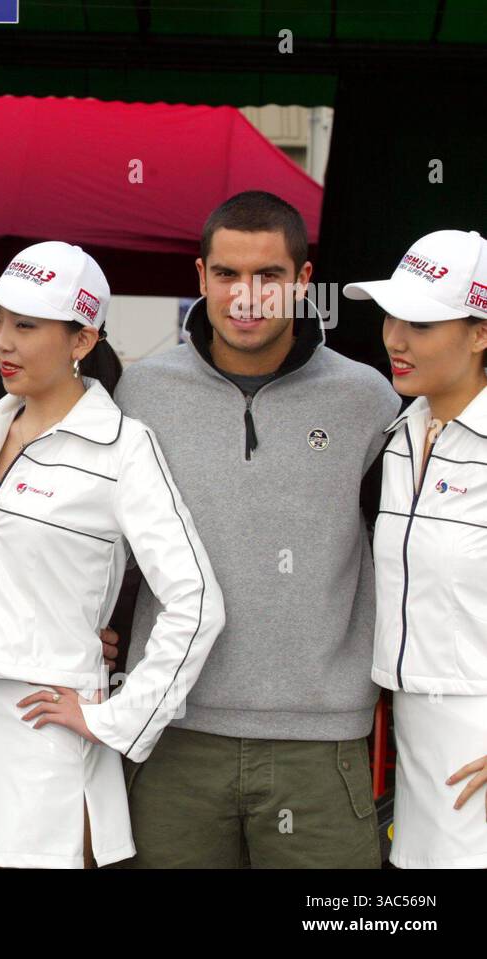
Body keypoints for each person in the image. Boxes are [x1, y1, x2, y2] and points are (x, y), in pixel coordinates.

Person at [106, 191, 401, 867]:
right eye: (229, 275)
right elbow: (97, 541)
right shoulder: (140, 394)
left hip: (322, 746)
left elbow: (416, 560)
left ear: (302, 282)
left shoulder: (368, 400)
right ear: (201, 278)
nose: (248, 296)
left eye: (269, 276)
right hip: (172, 734)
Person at [0, 242, 225, 868]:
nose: (2, 341)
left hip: (49, 740)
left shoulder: (123, 449)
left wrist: (118, 718)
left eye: (26, 325)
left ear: (82, 340)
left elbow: (197, 603)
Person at [343, 228, 487, 868]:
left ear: (480, 333)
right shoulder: (398, 436)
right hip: (410, 743)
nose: (395, 338)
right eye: (392, 316)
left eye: (422, 323)